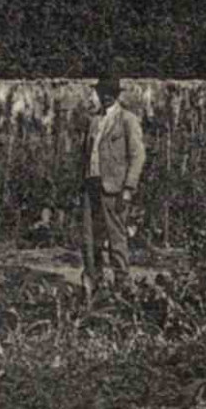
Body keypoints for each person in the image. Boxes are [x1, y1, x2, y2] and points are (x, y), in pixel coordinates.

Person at [79, 74, 145, 293]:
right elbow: (85, 155)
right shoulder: (94, 121)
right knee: (89, 237)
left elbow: (137, 156)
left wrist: (128, 188)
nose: (105, 97)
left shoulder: (127, 120)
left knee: (116, 237)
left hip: (114, 188)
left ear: (116, 95)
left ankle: (122, 284)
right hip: (92, 185)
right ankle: (92, 282)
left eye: (109, 93)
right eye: (102, 92)